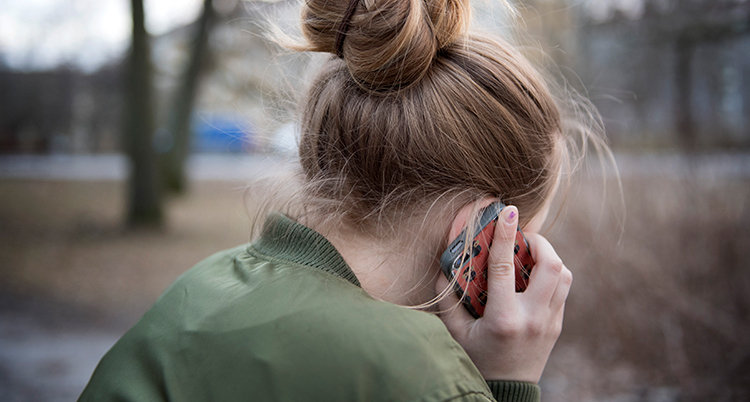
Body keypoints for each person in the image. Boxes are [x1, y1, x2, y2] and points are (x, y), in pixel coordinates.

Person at [79, 0, 606, 400]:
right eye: (520, 253)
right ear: (481, 233)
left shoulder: (197, 289)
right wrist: (504, 383)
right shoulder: (424, 376)